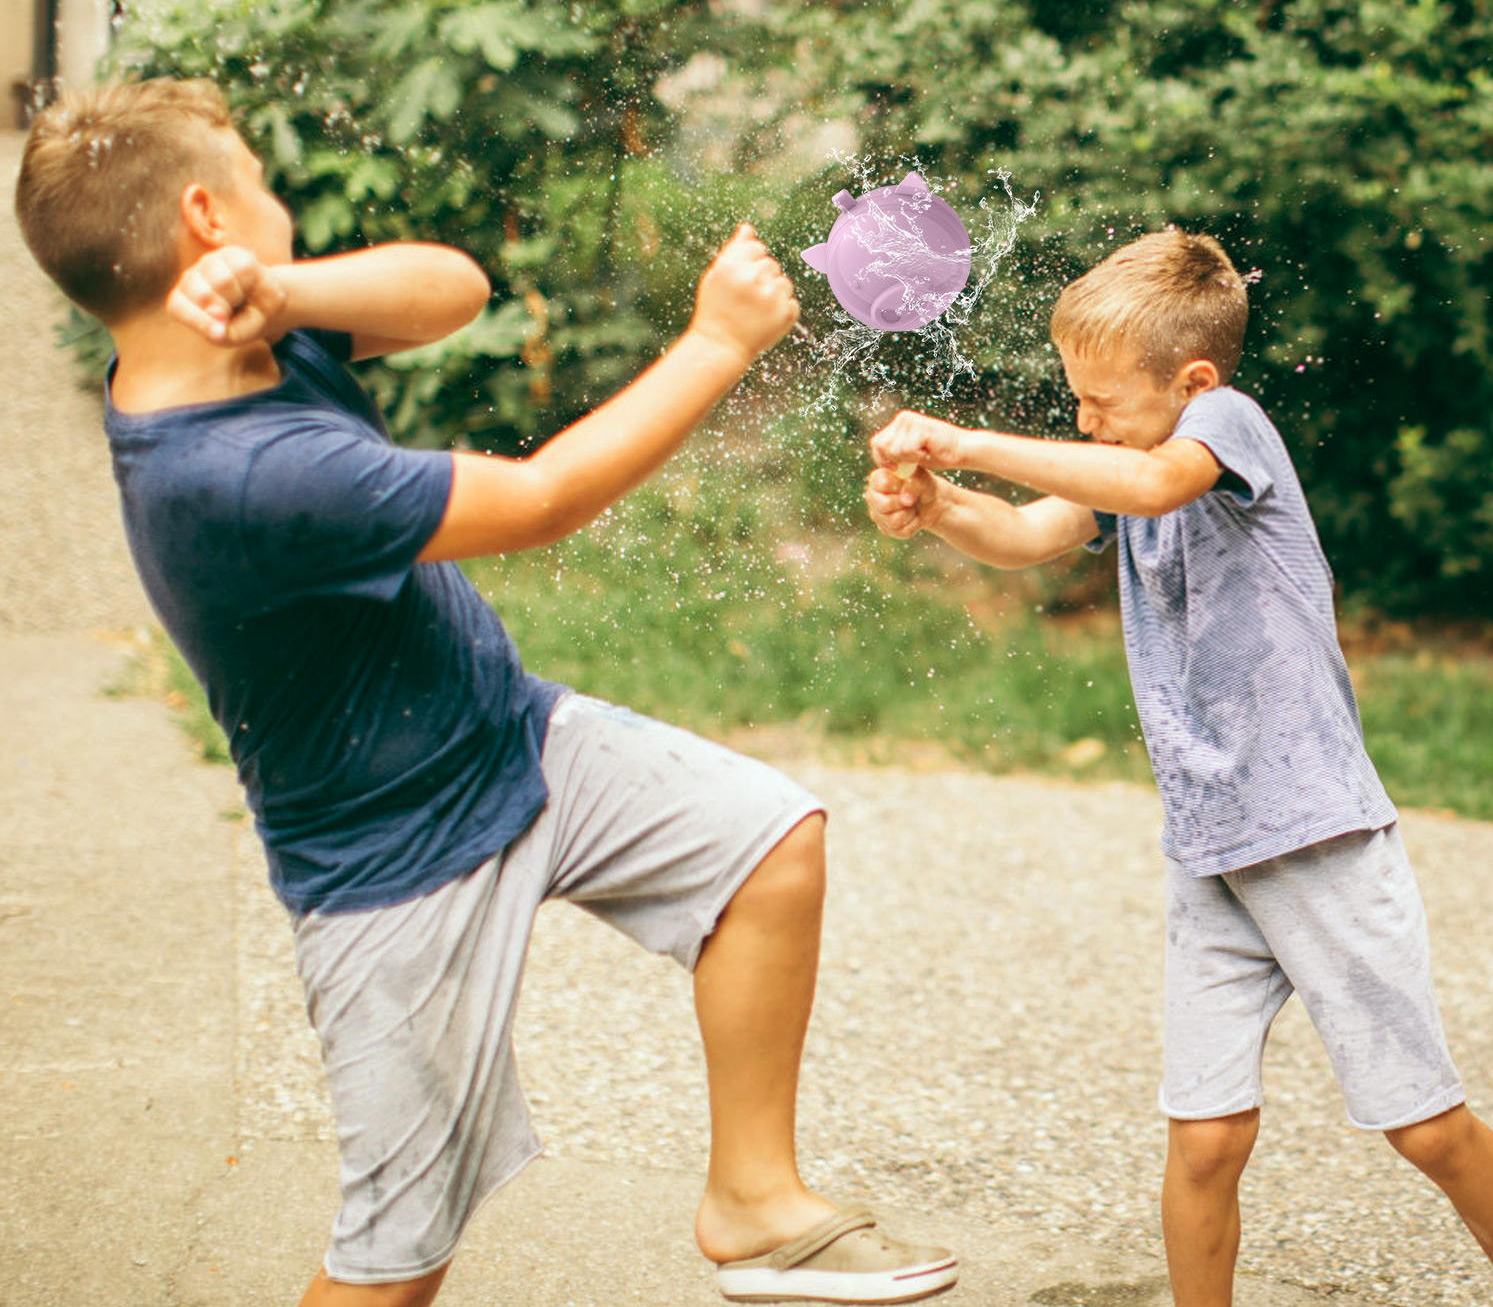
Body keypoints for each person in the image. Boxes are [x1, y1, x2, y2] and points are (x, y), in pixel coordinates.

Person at [13, 76, 958, 1307]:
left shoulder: (244, 330)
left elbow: (450, 289)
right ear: (208, 214)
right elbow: (543, 499)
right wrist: (717, 345)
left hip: (505, 733)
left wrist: (287, 286)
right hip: (395, 868)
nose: (282, 207)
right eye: (264, 185)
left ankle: (753, 1201)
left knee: (765, 841)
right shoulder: (244, 476)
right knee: (396, 1260)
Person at [863, 226, 1493, 1307]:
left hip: (1316, 837)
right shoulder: (1128, 462)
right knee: (1203, 1136)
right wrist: (936, 509)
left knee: (1421, 1124)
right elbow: (1025, 534)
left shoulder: (1224, 426)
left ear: (1190, 381)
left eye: (1099, 398)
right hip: (1210, 849)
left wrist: (966, 441)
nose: (1083, 418)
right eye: (1075, 397)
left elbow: (1151, 483)